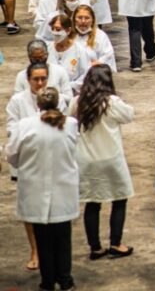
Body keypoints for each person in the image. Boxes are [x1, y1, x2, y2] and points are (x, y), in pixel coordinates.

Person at [6, 87, 78, 291]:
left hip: (34, 188)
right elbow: (75, 151)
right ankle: (65, 279)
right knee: (63, 238)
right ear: (58, 103)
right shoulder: (70, 124)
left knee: (43, 238)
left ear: (38, 104)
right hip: (64, 188)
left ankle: (47, 282)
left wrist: (25, 164)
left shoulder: (25, 125)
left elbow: (12, 155)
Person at [71, 65, 134, 260]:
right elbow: (129, 115)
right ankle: (115, 243)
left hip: (87, 159)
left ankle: (95, 247)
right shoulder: (112, 103)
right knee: (120, 198)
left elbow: (69, 122)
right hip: (111, 158)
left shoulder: (77, 102)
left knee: (93, 203)